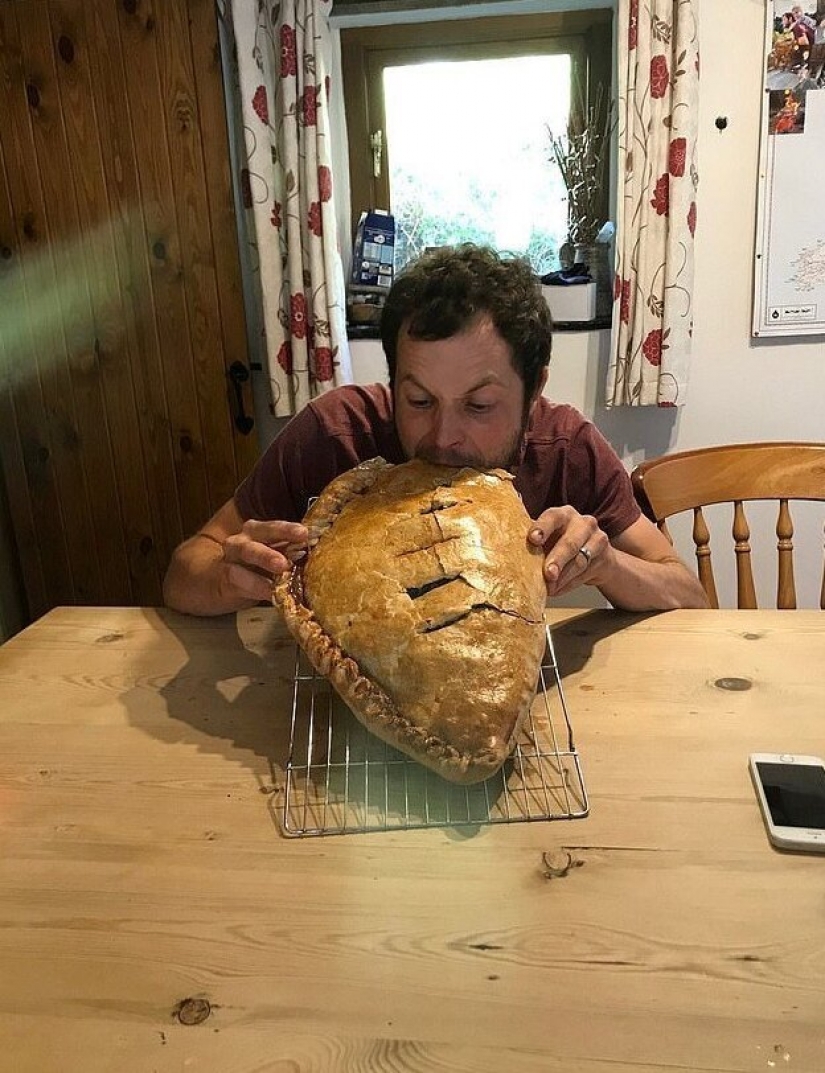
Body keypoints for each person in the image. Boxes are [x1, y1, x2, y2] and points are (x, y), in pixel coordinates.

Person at [163, 244, 709, 616]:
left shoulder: (565, 449)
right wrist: (227, 578)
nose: (444, 437)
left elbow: (689, 596)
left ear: (534, 387)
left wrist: (608, 566)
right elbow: (186, 569)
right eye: (419, 399)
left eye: (479, 405)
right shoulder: (335, 435)